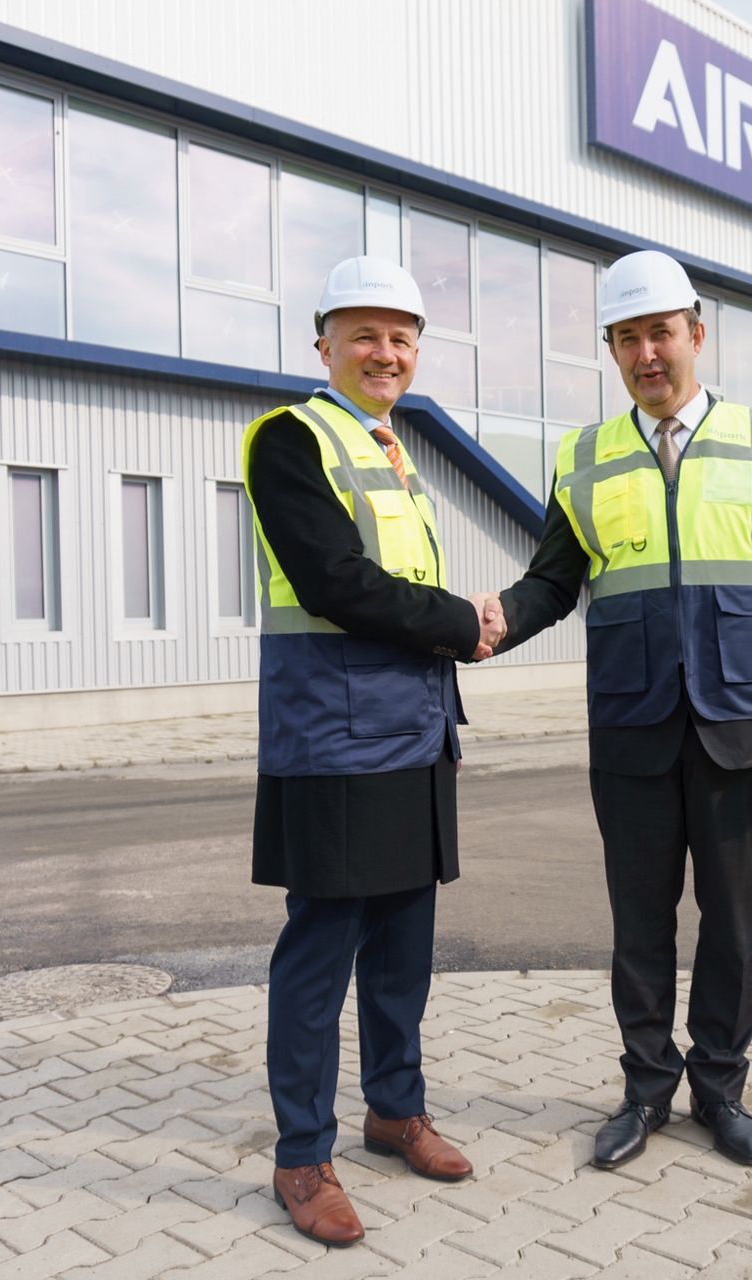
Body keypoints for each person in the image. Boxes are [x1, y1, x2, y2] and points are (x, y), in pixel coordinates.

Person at [485, 250, 752, 1170]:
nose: (648, 354)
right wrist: (493, 621)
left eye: (661, 333)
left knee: (732, 923)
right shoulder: (585, 456)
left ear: (696, 333)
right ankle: (646, 1090)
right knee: (639, 924)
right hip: (633, 726)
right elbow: (553, 582)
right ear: (611, 350)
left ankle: (720, 1087)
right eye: (627, 339)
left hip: (745, 727)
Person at [241, 256, 505, 1247]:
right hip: (334, 737)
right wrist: (462, 622)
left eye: (401, 337)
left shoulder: (395, 451)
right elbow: (334, 582)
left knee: (403, 947)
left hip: (411, 735)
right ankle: (301, 1156)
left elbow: (396, 598)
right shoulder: (290, 438)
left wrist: (444, 711)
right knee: (321, 953)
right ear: (324, 346)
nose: (384, 352)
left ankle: (396, 1110)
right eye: (364, 334)